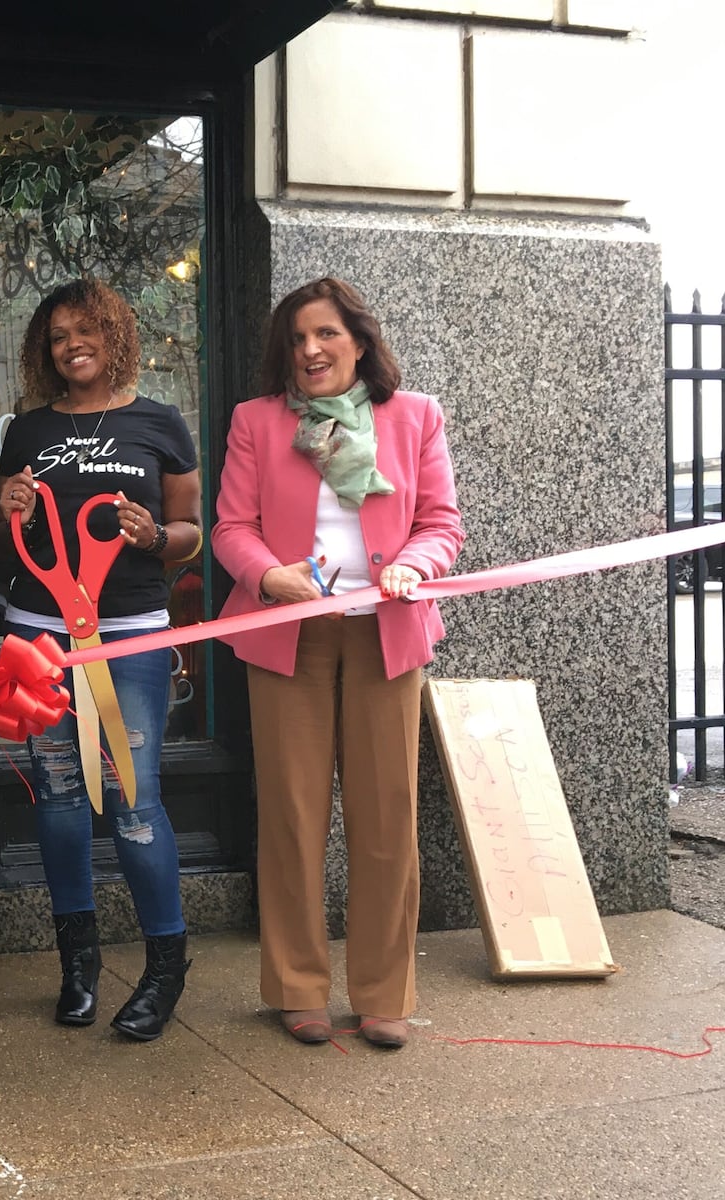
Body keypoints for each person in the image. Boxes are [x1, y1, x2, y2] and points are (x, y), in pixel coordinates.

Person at [211, 276, 464, 1049]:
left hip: (386, 632)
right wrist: (267, 576)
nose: (310, 350)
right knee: (291, 816)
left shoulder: (414, 416)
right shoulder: (256, 422)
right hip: (291, 634)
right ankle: (298, 987)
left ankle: (384, 993)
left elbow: (441, 523)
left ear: (359, 340)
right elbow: (229, 527)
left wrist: (416, 565)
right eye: (296, 339)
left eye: (325, 334)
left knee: (387, 816)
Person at [0, 278, 203, 1042]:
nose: (71, 344)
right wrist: (9, 507)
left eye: (86, 329)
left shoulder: (160, 423)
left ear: (116, 334)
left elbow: (191, 532)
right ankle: (78, 965)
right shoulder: (26, 430)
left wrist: (154, 537)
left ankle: (163, 968)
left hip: (130, 634)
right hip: (39, 631)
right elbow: (6, 533)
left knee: (134, 800)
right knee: (56, 798)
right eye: (57, 335)